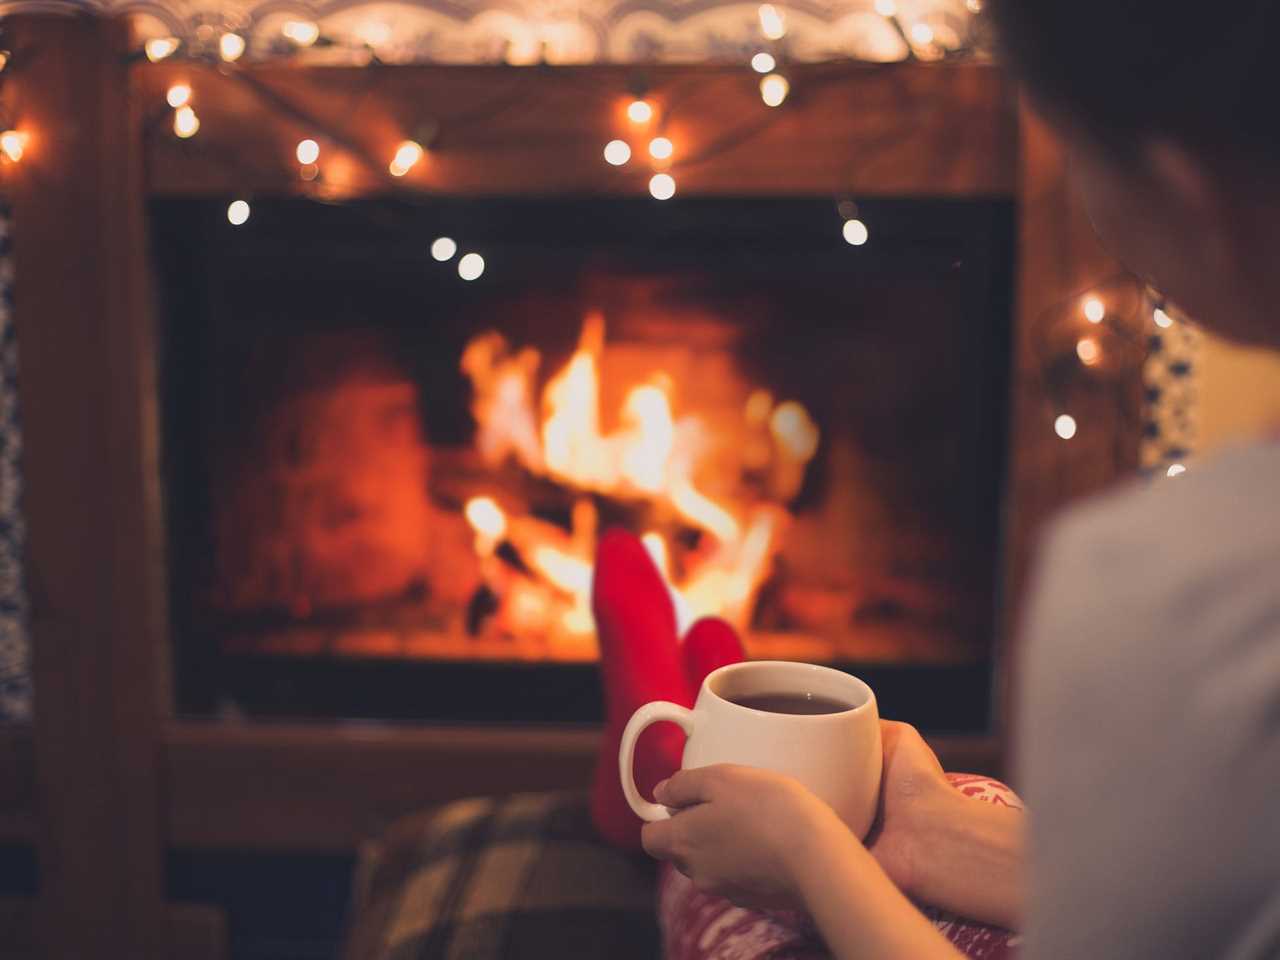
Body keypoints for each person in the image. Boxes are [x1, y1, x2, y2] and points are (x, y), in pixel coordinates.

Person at [639, 1, 1280, 956]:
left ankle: (656, 737)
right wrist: (933, 835)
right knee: (971, 798)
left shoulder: (1178, 590)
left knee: (719, 896)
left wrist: (816, 856)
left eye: (1076, 155)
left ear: (1184, 190)